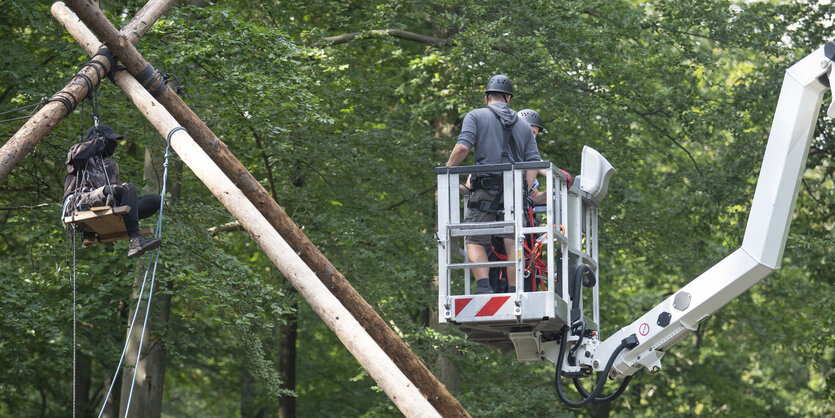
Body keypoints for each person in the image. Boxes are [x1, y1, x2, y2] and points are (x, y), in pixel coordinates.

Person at [445, 74, 541, 294]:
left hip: (485, 190)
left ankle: (484, 288)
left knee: (475, 238)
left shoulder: (475, 116)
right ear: (508, 98)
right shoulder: (524, 126)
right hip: (514, 191)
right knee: (511, 239)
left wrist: (448, 169)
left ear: (486, 96)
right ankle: (515, 290)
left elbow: (462, 148)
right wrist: (525, 192)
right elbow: (534, 162)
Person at [63, 124, 162, 258]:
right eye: (109, 141)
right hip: (79, 201)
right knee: (128, 187)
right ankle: (135, 239)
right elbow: (76, 154)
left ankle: (132, 233)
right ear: (99, 140)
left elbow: (116, 192)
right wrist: (97, 143)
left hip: (102, 203)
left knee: (155, 200)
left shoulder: (112, 166)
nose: (112, 144)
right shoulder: (80, 155)